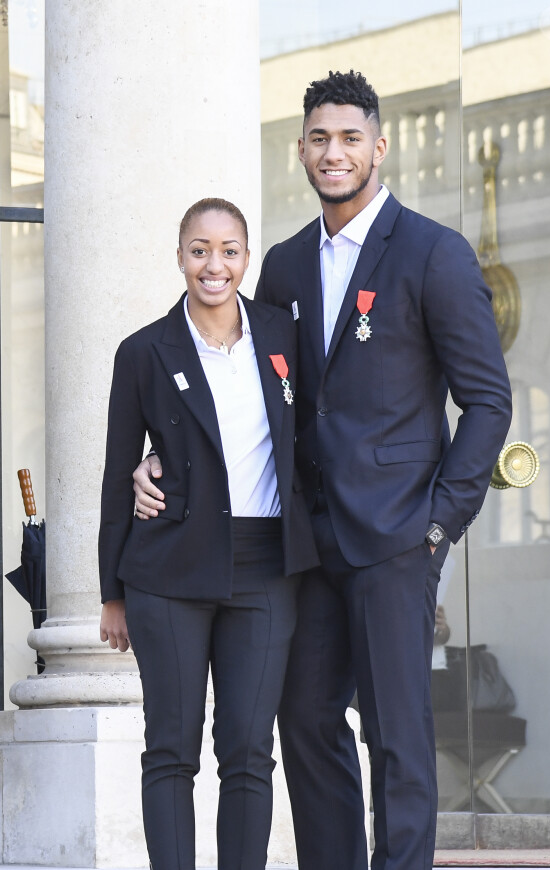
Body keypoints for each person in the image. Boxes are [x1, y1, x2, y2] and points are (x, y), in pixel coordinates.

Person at [132, 72, 512, 870]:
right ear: (301, 150)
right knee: (304, 723)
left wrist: (439, 526)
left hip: (399, 539)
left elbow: (488, 404)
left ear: (378, 146)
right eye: (318, 138)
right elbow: (248, 394)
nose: (332, 153)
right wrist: (159, 460)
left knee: (399, 737)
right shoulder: (284, 264)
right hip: (303, 547)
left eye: (348, 138)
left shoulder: (433, 253)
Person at [98, 198, 319, 870]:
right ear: (180, 258)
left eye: (227, 250)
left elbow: (313, 439)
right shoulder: (143, 352)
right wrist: (111, 594)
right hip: (168, 572)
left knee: (250, 750)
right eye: (199, 250)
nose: (213, 264)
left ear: (247, 259)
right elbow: (116, 473)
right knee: (171, 746)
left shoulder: (284, 338)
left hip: (265, 569)